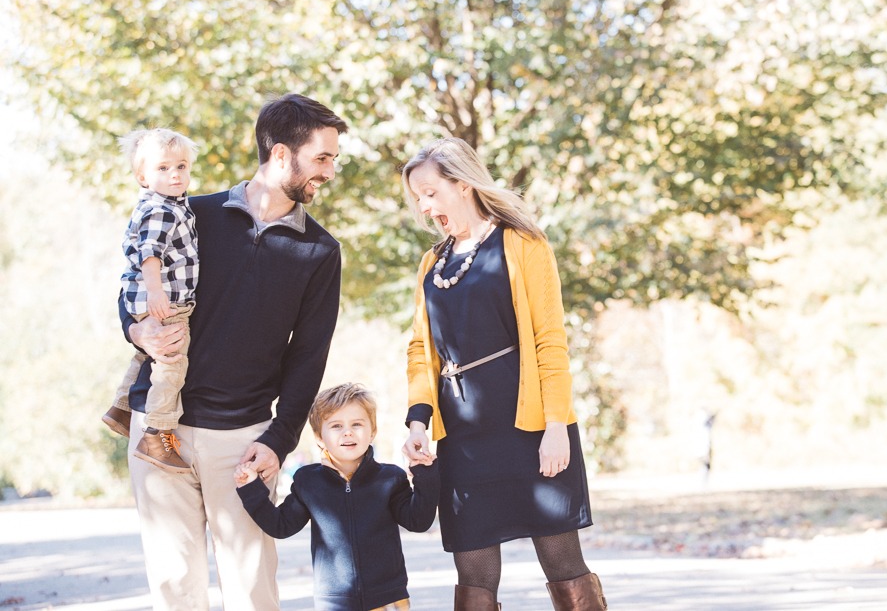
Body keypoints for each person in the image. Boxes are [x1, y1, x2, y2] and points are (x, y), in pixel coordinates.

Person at [119, 93, 347, 610]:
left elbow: (308, 356)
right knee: (175, 586)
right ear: (283, 155)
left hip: (243, 439)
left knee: (252, 589)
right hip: (162, 428)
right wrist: (138, 334)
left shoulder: (321, 252)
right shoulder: (191, 215)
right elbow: (131, 287)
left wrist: (278, 440)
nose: (330, 171)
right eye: (323, 157)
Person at [399, 137, 608, 610]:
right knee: (473, 575)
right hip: (463, 439)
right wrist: (418, 421)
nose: (425, 206)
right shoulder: (432, 263)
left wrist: (556, 427)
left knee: (562, 564)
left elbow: (550, 340)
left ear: (464, 184)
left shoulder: (523, 244)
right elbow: (420, 350)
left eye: (431, 192)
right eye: (418, 198)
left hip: (530, 430)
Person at [236, 382, 440, 611]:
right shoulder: (308, 481)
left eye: (357, 424)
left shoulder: (390, 478)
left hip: (388, 597)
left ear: (372, 431)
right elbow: (281, 526)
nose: (348, 432)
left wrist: (425, 474)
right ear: (319, 437)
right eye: (336, 426)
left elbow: (419, 521)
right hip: (334, 602)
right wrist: (251, 488)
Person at [102, 128, 199, 473]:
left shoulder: (170, 205)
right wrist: (156, 292)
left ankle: (121, 408)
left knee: (147, 352)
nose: (175, 174)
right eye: (163, 168)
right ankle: (157, 433)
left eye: (182, 166)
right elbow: (150, 254)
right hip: (163, 299)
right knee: (172, 362)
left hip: (146, 297)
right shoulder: (163, 210)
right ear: (142, 176)